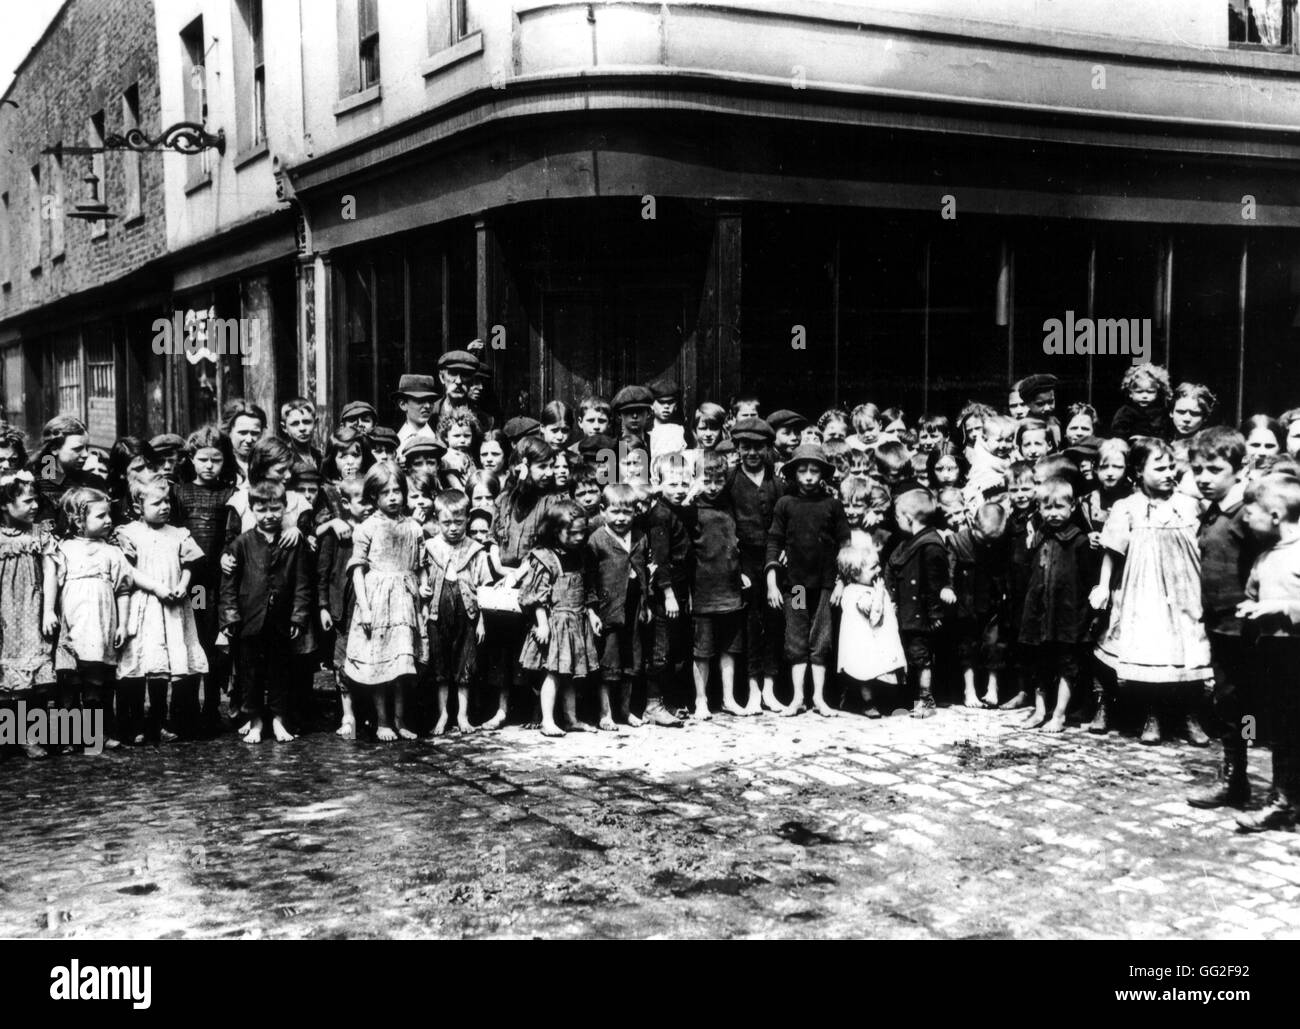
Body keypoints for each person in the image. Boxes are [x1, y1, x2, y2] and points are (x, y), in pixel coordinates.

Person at [1091, 438, 1212, 745]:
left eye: (1172, 466)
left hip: (1185, 589)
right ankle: (1151, 715)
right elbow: (1112, 551)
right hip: (1142, 590)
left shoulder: (1188, 503)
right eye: (1159, 467)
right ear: (1137, 472)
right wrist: (1103, 586)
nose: (1168, 472)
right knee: (1150, 649)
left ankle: (1189, 715)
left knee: (1189, 649)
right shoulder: (1127, 507)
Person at [1185, 428, 1257, 811]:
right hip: (1219, 625)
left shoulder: (1248, 512)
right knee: (1230, 702)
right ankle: (1235, 777)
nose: (1204, 477)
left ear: (1240, 468)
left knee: (1249, 707)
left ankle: (1266, 784)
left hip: (1248, 629)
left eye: (1214, 469)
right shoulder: (1213, 511)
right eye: (1197, 469)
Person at [217, 480, 313, 744]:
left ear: (284, 508)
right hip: (249, 620)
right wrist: (229, 617)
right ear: (252, 510)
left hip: (281, 621)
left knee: (281, 672)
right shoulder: (241, 543)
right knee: (250, 675)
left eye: (275, 509)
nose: (269, 515)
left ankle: (279, 720)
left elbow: (303, 583)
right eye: (262, 509)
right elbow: (228, 585)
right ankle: (256, 721)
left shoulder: (293, 542)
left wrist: (298, 616)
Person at [116, 477, 209, 744]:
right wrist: (156, 587)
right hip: (146, 604)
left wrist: (182, 584)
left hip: (174, 608)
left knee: (165, 671)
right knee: (141, 665)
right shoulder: (129, 533)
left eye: (167, 500)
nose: (164, 506)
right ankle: (134, 725)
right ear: (138, 507)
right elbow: (128, 570)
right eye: (157, 502)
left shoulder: (178, 533)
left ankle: (159, 721)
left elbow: (190, 563)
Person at [342, 463, 427, 742]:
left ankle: (401, 719)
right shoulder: (367, 528)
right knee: (379, 663)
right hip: (377, 600)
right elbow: (357, 570)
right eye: (385, 492)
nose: (393, 497)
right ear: (373, 496)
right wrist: (364, 608)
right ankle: (382, 721)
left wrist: (423, 586)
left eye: (397, 491)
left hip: (404, 600)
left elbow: (420, 564)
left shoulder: (414, 527)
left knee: (402, 665)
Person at [1235, 472, 1300, 832]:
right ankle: (1282, 800)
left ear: (1275, 515)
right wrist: (1249, 607)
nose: (1245, 520)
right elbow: (1251, 595)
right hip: (1273, 654)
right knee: (1280, 730)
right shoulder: (1263, 557)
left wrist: (1284, 607)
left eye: (1250, 513)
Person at [766, 443, 851, 717]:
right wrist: (771, 581)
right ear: (794, 474)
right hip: (799, 585)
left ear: (823, 474)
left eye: (815, 470)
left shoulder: (832, 505)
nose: (809, 476)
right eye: (802, 470)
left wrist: (840, 581)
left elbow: (845, 545)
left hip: (825, 585)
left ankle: (819, 699)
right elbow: (774, 541)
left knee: (821, 640)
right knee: (798, 638)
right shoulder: (786, 504)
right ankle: (798, 698)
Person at [486, 436, 560, 728]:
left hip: (534, 579)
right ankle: (502, 710)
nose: (549, 472)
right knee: (501, 648)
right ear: (523, 467)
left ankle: (535, 712)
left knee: (531, 648)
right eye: (542, 466)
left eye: (551, 466)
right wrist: (499, 567)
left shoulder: (551, 502)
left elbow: (544, 547)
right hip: (503, 578)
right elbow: (493, 538)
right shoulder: (504, 500)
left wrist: (517, 575)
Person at [54, 487, 131, 749]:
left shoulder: (112, 552)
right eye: (101, 516)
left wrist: (123, 624)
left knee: (98, 684)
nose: (109, 520)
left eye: (109, 515)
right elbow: (54, 588)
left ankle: (100, 734)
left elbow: (123, 589)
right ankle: (69, 736)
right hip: (73, 626)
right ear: (78, 520)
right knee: (69, 684)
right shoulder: (63, 550)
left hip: (101, 628)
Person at [1018, 477, 1098, 732]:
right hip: (1040, 613)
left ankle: (1060, 713)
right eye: (1047, 507)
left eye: (1059, 507)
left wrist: (1086, 615)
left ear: (1072, 507)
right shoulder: (1039, 536)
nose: (1053, 514)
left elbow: (1088, 580)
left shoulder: (1080, 541)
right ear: (1039, 508)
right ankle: (1040, 710)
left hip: (1067, 615)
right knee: (1040, 662)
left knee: (1067, 664)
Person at [517, 499, 601, 736]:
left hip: (577, 621)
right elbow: (536, 596)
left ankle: (572, 719)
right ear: (556, 530)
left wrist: (592, 614)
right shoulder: (544, 558)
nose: (578, 537)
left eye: (582, 532)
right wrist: (542, 624)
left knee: (571, 675)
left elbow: (587, 589)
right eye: (572, 533)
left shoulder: (581, 555)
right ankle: (547, 720)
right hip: (556, 624)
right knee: (553, 673)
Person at [174, 426, 238, 735]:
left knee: (217, 644)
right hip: (194, 584)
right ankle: (185, 709)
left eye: (216, 459)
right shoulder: (181, 492)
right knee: (194, 638)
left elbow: (234, 534)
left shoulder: (230, 494)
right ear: (191, 459)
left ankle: (212, 706)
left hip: (221, 582)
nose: (209, 466)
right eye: (203, 459)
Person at [0, 471, 58, 757]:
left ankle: (28, 736)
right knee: (5, 677)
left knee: (32, 679)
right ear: (4, 505)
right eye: (27, 501)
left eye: (36, 499)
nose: (35, 506)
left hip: (31, 608)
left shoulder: (39, 533)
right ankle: (5, 735)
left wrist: (48, 610)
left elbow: (50, 570)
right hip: (4, 612)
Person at [423, 489, 490, 736]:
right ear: (437, 520)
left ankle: (462, 715)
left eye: (459, 522)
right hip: (436, 616)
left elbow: (483, 589)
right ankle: (443, 714)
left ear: (467, 520)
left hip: (468, 616)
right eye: (446, 522)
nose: (453, 528)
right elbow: (423, 579)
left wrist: (481, 620)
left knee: (465, 666)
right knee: (439, 667)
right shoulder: (429, 547)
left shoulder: (475, 550)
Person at [728, 417, 784, 712]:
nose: (751, 453)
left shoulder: (778, 482)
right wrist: (735, 568)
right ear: (737, 448)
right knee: (750, 623)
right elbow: (724, 524)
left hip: (776, 563)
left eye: (758, 447)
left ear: (767, 448)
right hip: (745, 563)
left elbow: (788, 519)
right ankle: (752, 689)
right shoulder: (729, 479)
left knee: (781, 617)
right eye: (745, 447)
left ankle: (772, 688)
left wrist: (784, 550)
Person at [587, 483, 651, 729]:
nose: (621, 518)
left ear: (635, 512)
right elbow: (590, 580)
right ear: (603, 511)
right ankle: (606, 713)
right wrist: (592, 611)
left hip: (634, 608)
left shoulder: (640, 538)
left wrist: (645, 606)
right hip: (609, 611)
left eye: (627, 512)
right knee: (609, 664)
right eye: (615, 512)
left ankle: (625, 710)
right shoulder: (597, 541)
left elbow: (644, 572)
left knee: (631, 662)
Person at [886, 488, 952, 718]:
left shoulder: (930, 546)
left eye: (897, 517)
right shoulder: (908, 543)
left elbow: (936, 584)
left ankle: (926, 699)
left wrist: (935, 616)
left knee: (921, 658)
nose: (896, 522)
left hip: (920, 616)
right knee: (911, 656)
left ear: (908, 517)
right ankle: (910, 697)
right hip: (906, 612)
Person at [690, 453, 747, 719]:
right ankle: (701, 700)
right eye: (707, 480)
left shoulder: (729, 506)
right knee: (702, 650)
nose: (713, 486)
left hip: (730, 587)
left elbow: (738, 542)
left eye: (718, 480)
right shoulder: (692, 510)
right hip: (703, 589)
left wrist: (742, 572)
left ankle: (728, 698)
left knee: (729, 647)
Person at [319, 477, 370, 740]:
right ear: (347, 504)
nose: (369, 506)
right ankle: (347, 714)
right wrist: (324, 606)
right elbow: (324, 573)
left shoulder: (375, 529)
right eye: (363, 501)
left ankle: (368, 712)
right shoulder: (336, 534)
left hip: (369, 606)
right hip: (342, 609)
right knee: (342, 661)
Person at [643, 454, 691, 726]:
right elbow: (658, 561)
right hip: (664, 593)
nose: (680, 489)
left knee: (675, 649)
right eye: (673, 484)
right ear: (658, 484)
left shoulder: (678, 511)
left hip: (680, 589)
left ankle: (667, 701)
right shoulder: (660, 515)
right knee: (660, 651)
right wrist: (669, 595)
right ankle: (652, 704)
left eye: (685, 483)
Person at [947, 502, 1010, 708]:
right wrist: (947, 588)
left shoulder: (1000, 541)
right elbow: (949, 568)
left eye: (995, 539)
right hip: (966, 600)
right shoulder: (958, 541)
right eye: (985, 539)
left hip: (992, 600)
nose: (989, 544)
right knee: (967, 645)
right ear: (973, 524)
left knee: (995, 643)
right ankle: (970, 690)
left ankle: (993, 687)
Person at [836, 540, 905, 717]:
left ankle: (873, 701)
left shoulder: (865, 587)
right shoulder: (858, 593)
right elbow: (874, 616)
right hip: (865, 643)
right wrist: (880, 594)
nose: (879, 570)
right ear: (855, 573)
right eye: (873, 568)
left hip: (874, 640)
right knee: (866, 675)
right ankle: (868, 704)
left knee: (877, 672)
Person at [29, 415, 107, 528]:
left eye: (87, 448)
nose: (86, 454)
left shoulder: (94, 481)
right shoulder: (36, 484)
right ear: (54, 449)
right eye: (77, 449)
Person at [1109, 363, 1172, 441]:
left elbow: (1165, 433)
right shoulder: (1125, 412)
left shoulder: (1161, 412)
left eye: (1150, 392)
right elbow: (1119, 433)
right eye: (1139, 392)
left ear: (1157, 393)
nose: (1144, 396)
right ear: (1130, 393)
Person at [221, 399, 268, 485]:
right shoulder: (220, 463)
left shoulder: (267, 463)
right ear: (228, 431)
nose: (249, 440)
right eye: (243, 432)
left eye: (254, 433)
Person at [393, 374, 440, 446]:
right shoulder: (395, 442)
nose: (427, 406)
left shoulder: (440, 438)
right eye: (420, 400)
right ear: (403, 405)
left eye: (431, 401)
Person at [280, 397, 323, 470]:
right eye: (295, 423)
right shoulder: (282, 459)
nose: (302, 428)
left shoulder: (320, 457)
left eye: (307, 422)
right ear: (284, 427)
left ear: (315, 424)